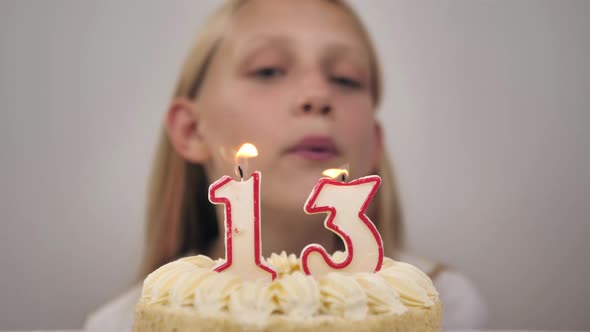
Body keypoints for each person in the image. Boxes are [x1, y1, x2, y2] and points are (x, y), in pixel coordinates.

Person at [84, 0, 487, 330]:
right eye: (269, 70)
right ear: (191, 130)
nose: (317, 95)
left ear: (374, 144)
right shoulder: (120, 323)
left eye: (345, 79)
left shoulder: (442, 304)